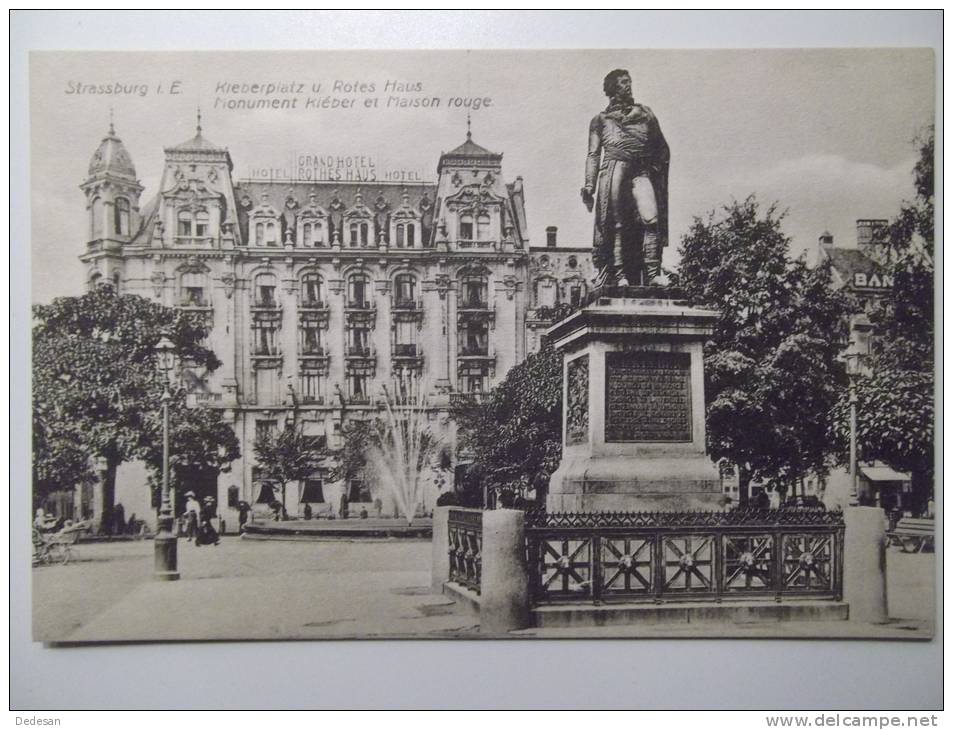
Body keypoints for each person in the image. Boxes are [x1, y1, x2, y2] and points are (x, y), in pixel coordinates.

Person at [582, 69, 670, 287]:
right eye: (622, 83)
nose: (627, 86)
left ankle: (652, 273)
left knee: (651, 220)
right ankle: (620, 275)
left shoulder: (646, 114)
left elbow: (661, 147)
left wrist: (656, 166)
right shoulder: (600, 120)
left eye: (629, 82)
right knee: (617, 224)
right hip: (614, 170)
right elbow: (593, 154)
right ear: (612, 89)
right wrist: (589, 185)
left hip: (641, 170)